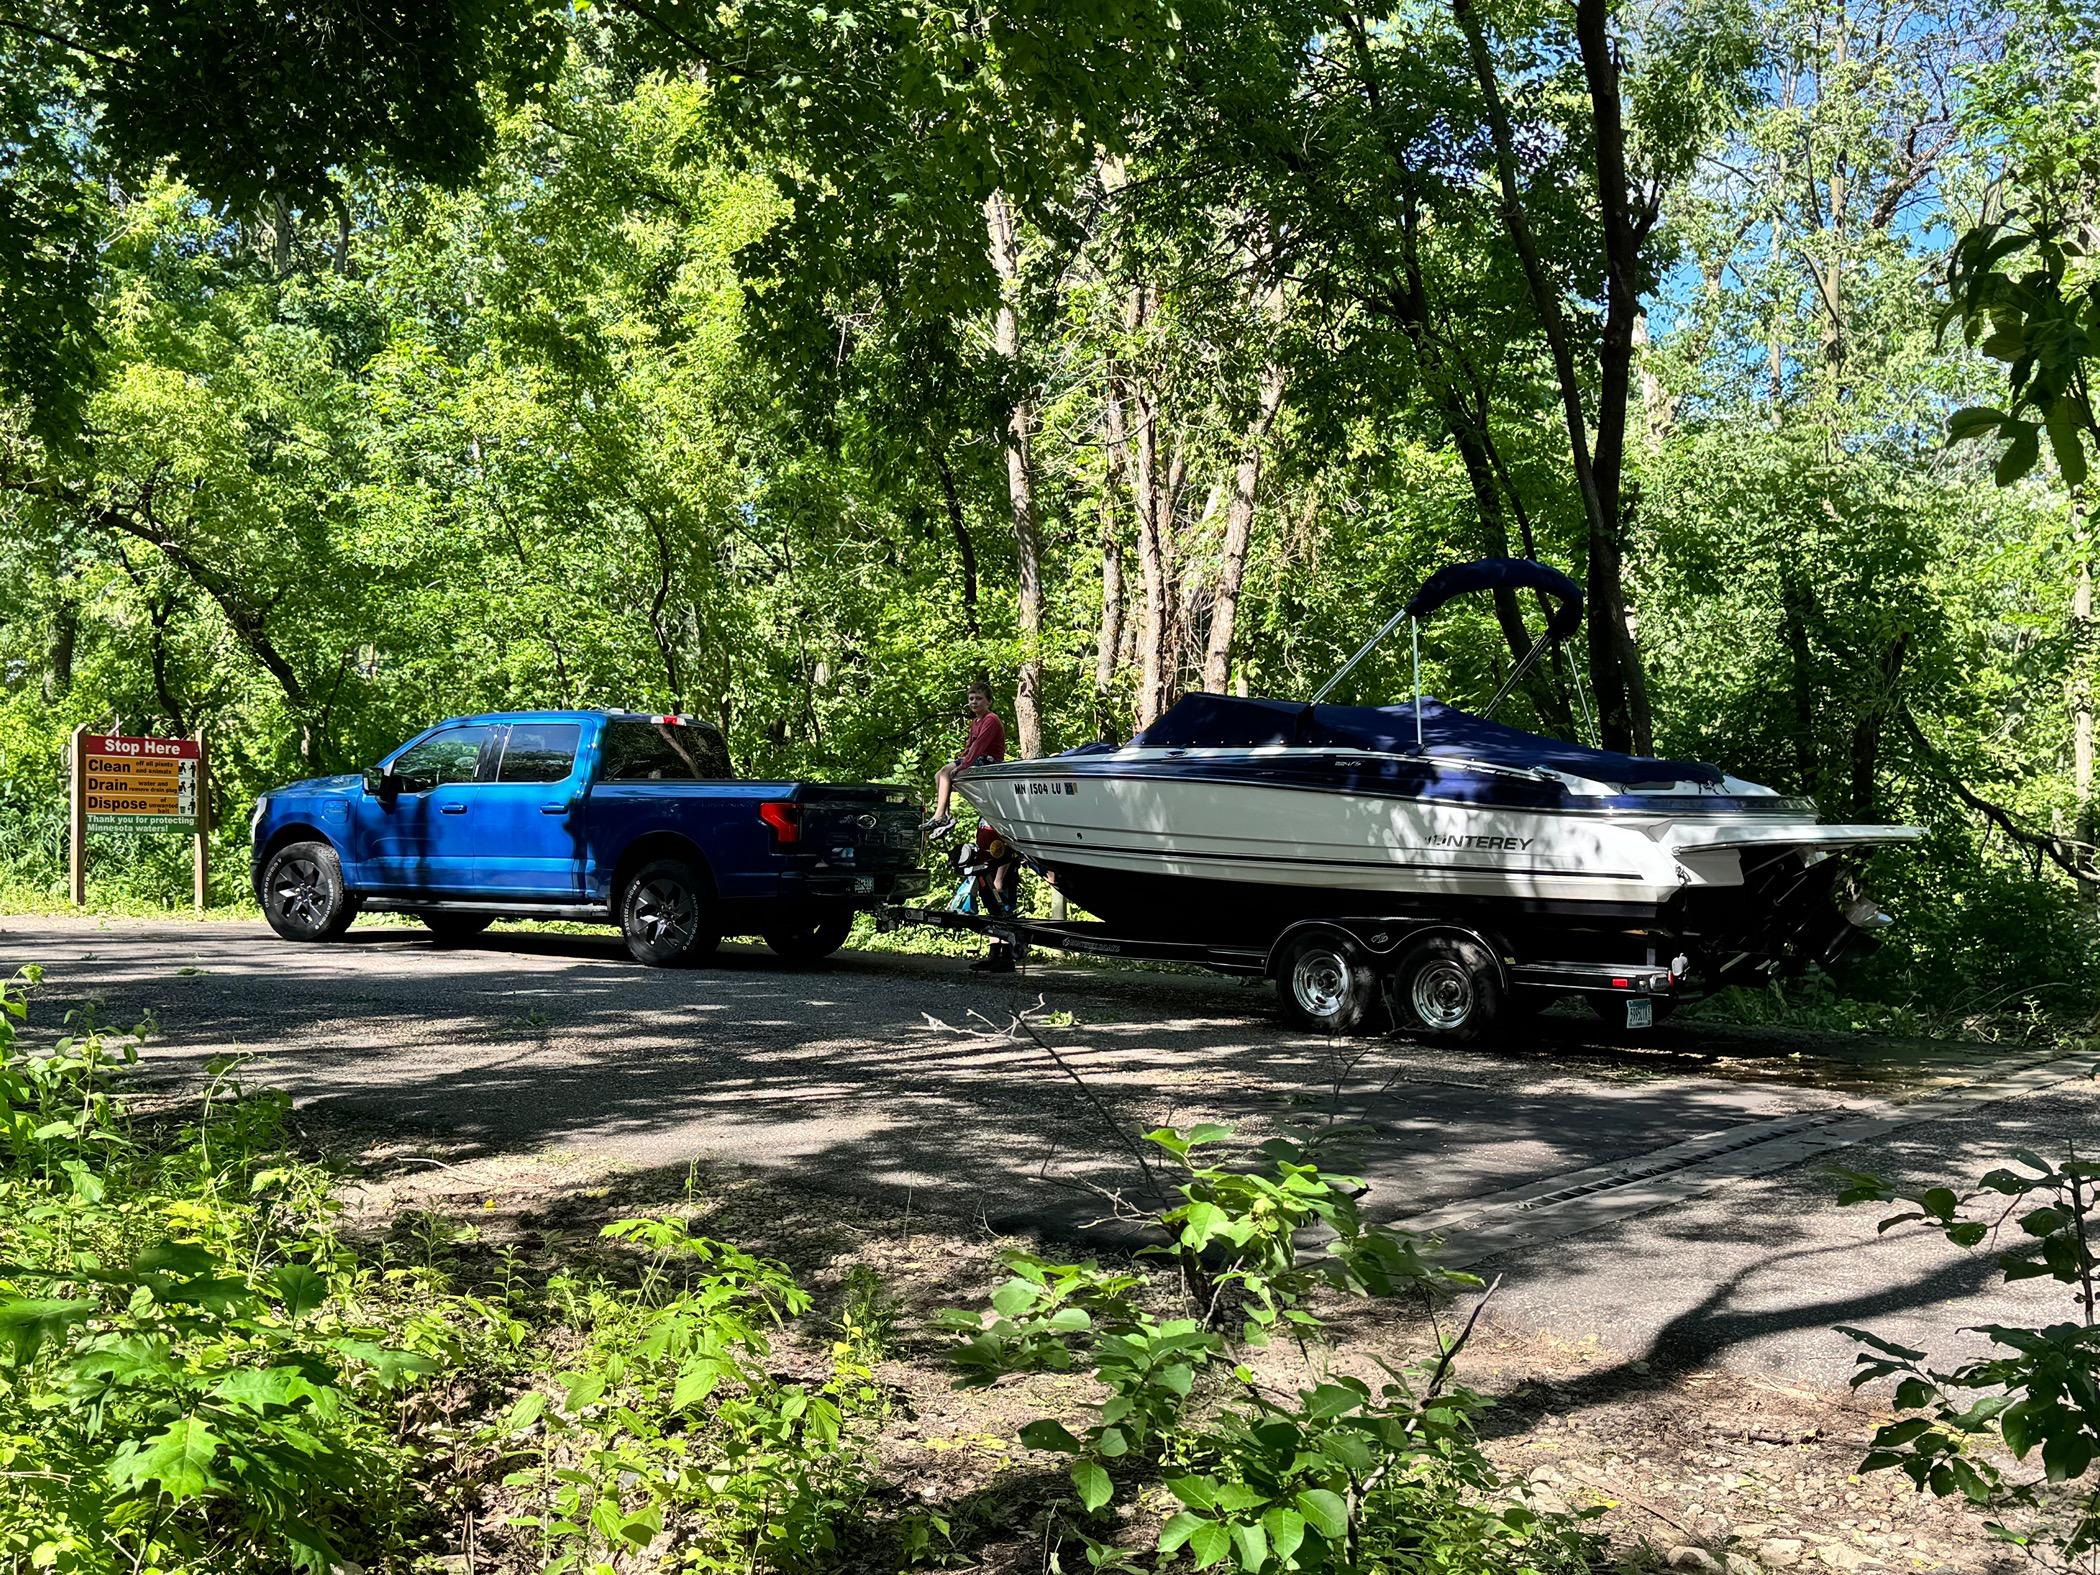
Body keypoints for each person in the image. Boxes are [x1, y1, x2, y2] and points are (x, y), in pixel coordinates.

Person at [922, 681, 1005, 840]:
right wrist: (962, 757)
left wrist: (963, 765)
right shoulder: (975, 722)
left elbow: (979, 745)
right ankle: (945, 816)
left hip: (989, 760)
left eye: (979, 698)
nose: (974, 702)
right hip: (976, 757)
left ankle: (939, 816)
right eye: (971, 698)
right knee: (938, 775)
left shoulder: (991, 719)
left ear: (989, 701)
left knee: (947, 772)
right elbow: (970, 745)